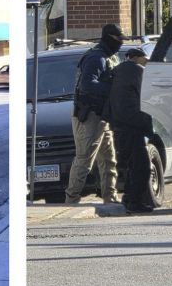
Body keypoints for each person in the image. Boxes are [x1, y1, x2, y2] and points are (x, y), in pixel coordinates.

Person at [64, 24, 123, 205]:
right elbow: (87, 85)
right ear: (109, 38)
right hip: (89, 116)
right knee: (84, 160)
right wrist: (113, 89)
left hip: (102, 117)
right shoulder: (96, 58)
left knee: (109, 159)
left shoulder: (108, 57)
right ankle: (71, 199)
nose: (120, 43)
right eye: (118, 39)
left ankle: (110, 197)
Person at [106, 46, 155, 214]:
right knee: (141, 167)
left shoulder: (117, 71)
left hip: (118, 125)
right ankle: (134, 201)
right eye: (145, 60)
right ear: (138, 58)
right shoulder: (138, 71)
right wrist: (149, 126)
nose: (147, 63)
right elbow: (146, 98)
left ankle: (129, 198)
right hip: (134, 125)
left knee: (128, 165)